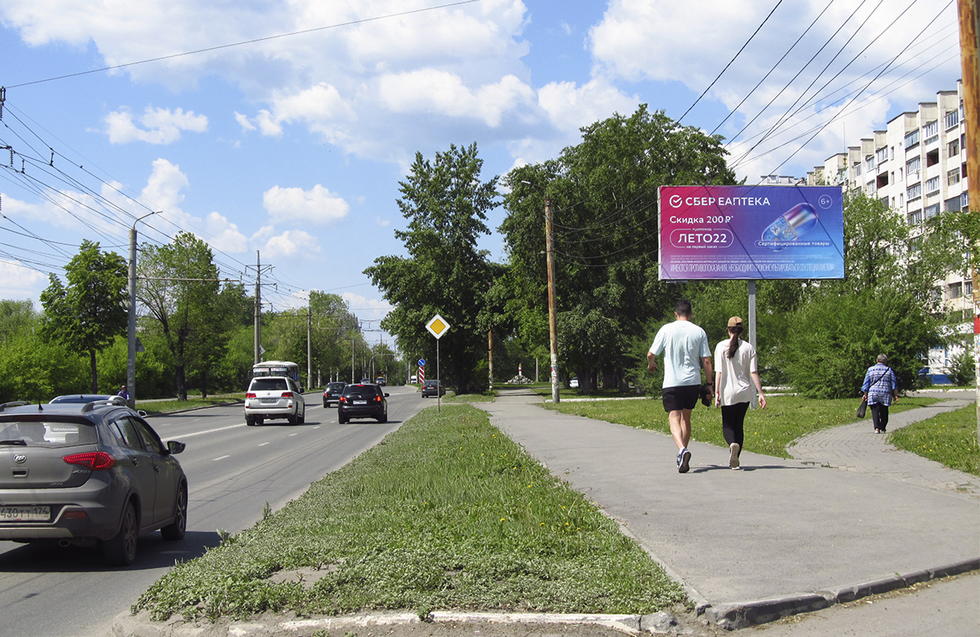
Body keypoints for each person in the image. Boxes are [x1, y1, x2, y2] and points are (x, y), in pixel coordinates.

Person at [647, 299, 713, 473]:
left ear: (675, 314)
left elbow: (651, 354)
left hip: (672, 382)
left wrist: (651, 364)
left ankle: (682, 450)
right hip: (692, 382)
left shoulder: (666, 329)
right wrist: (709, 384)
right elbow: (706, 360)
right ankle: (682, 453)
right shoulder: (699, 331)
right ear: (690, 314)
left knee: (673, 417)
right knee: (686, 418)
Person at [713, 317, 766, 470]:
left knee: (727, 425)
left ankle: (732, 445)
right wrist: (760, 393)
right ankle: (736, 457)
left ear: (727, 329)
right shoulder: (748, 348)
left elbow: (719, 372)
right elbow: (754, 372)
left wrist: (716, 392)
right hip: (744, 392)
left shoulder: (720, 346)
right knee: (739, 425)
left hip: (727, 392)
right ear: (742, 330)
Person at [861, 354, 898, 433]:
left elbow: (866, 383)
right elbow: (894, 384)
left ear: (877, 360)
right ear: (885, 361)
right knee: (884, 411)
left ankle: (876, 428)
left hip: (873, 393)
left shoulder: (870, 370)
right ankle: (883, 427)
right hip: (885, 394)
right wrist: (895, 395)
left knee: (875, 411)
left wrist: (865, 394)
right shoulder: (889, 370)